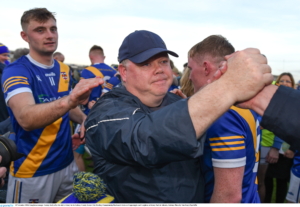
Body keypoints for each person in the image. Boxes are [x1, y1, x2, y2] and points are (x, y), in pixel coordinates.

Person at [84, 30, 273, 203]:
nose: (159, 69)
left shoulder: (178, 103)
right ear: (124, 72)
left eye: (163, 61)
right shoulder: (107, 110)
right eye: (146, 64)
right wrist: (228, 86)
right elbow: (145, 140)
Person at [2, 8, 103, 203]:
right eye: (40, 30)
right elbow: (25, 118)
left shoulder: (64, 69)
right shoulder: (16, 71)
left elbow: (69, 106)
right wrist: (70, 100)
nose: (49, 35)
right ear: (25, 36)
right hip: (33, 170)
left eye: (53, 29)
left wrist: (84, 119)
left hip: (67, 164)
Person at [188, 35, 260, 203]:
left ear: (206, 68)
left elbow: (229, 195)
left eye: (190, 68)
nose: (190, 76)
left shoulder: (222, 113)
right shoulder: (243, 100)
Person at [264, 72, 296, 203]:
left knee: (282, 181)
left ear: (293, 84)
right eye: (281, 81)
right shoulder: (273, 99)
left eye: (287, 81)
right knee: (267, 180)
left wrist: (292, 149)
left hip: (286, 150)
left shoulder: (296, 101)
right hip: (269, 147)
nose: (284, 83)